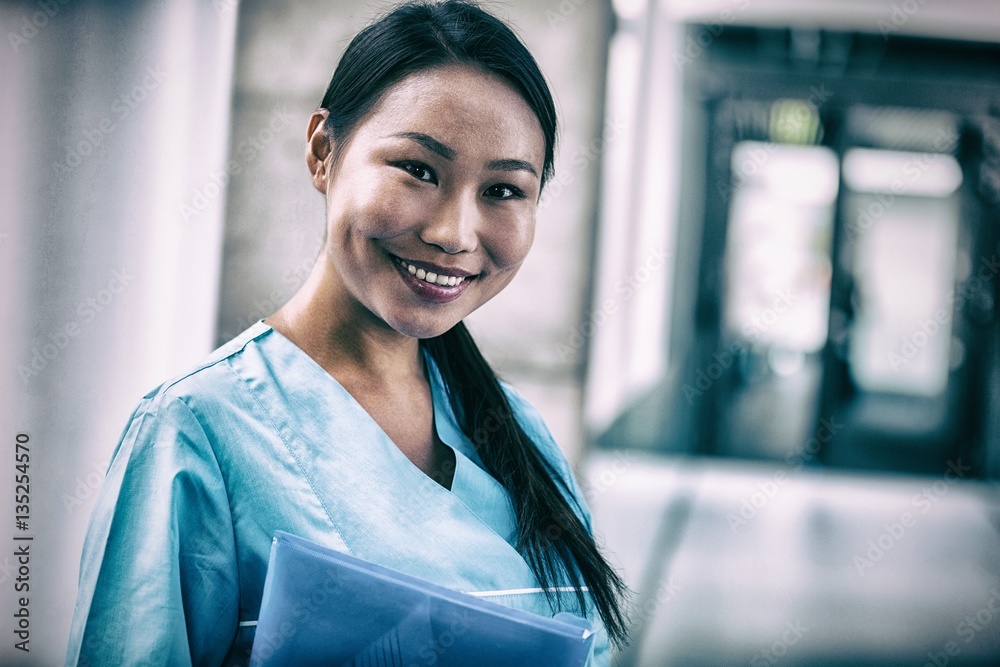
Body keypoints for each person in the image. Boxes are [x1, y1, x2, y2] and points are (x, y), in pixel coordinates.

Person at [65, 1, 630, 664]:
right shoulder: (196, 431)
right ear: (323, 152)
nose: (453, 233)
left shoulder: (522, 440)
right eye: (418, 170)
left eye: (503, 191)